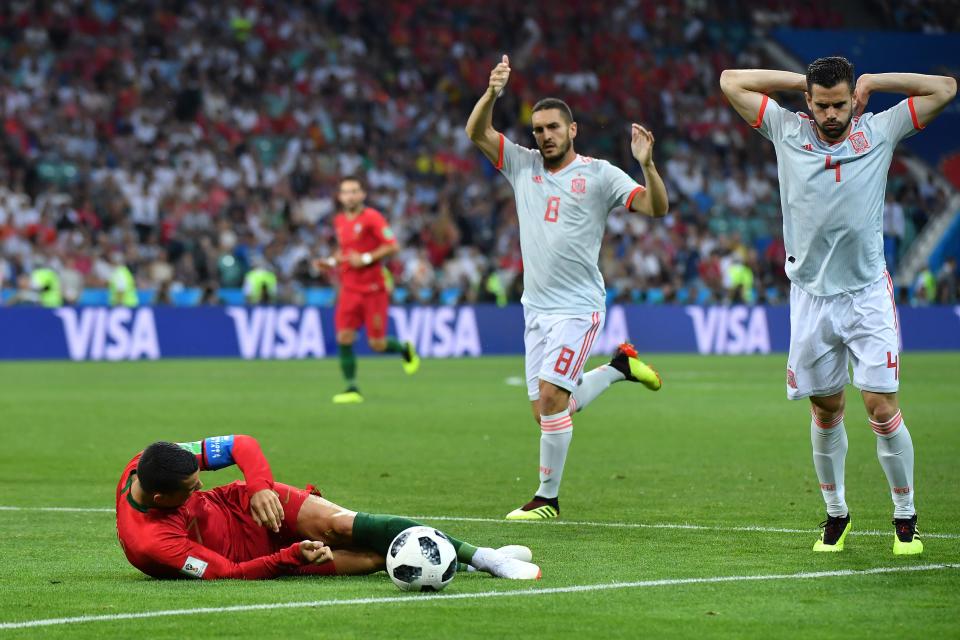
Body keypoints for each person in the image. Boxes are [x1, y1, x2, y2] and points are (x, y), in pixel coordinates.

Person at [720, 56, 956, 554]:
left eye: (840, 103)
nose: (831, 114)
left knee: (881, 407)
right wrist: (797, 82)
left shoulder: (879, 131)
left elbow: (945, 89)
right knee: (826, 411)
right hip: (809, 298)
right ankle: (836, 514)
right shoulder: (786, 129)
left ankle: (906, 514)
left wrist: (879, 80)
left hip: (867, 294)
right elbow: (730, 81)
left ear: (854, 99)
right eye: (822, 104)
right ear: (809, 101)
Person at [465, 55, 669, 521]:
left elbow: (656, 207)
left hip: (578, 308)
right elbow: (477, 132)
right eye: (538, 129)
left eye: (553, 127)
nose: (545, 136)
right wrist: (492, 94)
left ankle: (547, 499)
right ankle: (620, 368)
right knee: (546, 412)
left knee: (554, 400)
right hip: (534, 308)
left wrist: (648, 165)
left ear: (572, 129)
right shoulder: (522, 165)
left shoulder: (599, 174)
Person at [116, 434, 541, 580]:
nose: (198, 488)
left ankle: (486, 559)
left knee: (344, 524)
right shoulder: (154, 543)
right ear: (160, 500)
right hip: (254, 556)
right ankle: (461, 561)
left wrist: (258, 487)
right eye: (190, 490)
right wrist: (287, 556)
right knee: (378, 558)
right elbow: (226, 573)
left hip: (244, 506)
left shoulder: (150, 462)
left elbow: (241, 444)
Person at [314, 176, 419, 404]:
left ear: (362, 195)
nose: (350, 196)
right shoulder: (339, 220)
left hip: (373, 289)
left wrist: (367, 257)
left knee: (377, 344)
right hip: (349, 288)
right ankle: (351, 387)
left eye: (354, 191)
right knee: (344, 336)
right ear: (340, 197)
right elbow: (346, 253)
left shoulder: (372, 217)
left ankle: (403, 348)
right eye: (345, 192)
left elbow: (393, 245)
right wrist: (330, 263)